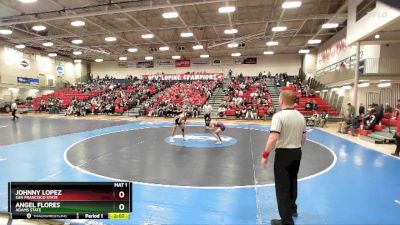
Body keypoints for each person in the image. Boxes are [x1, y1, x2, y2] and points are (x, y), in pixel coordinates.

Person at [261, 90, 307, 225]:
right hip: (297, 152)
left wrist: (265, 155)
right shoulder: (301, 116)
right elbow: (303, 138)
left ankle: (286, 221)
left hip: (284, 154)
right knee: (293, 181)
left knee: (282, 186)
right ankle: (293, 209)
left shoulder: (279, 116)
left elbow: (273, 137)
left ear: (281, 101)